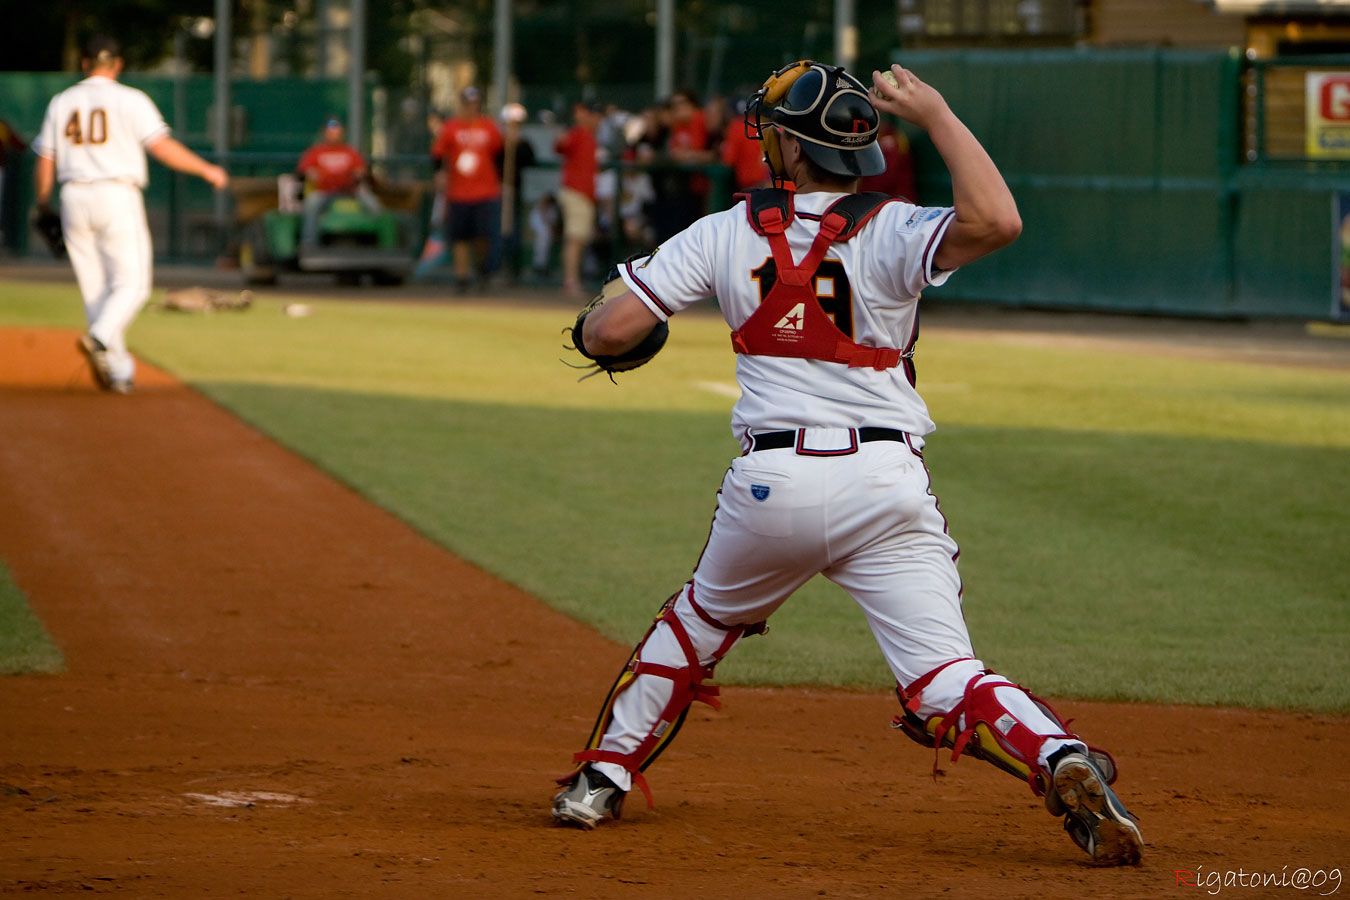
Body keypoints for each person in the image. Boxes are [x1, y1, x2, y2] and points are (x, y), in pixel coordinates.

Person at [552, 60, 1144, 868]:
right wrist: (936, 112)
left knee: (698, 624)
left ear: (794, 149)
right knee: (942, 676)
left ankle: (600, 779)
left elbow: (612, 333)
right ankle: (1058, 758)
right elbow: (999, 222)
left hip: (772, 485)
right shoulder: (897, 226)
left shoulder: (724, 229)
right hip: (885, 484)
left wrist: (596, 330)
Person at [32, 34, 227, 395]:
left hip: (74, 195)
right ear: (118, 64)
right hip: (116, 194)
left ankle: (119, 370)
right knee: (133, 285)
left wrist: (43, 203)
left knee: (97, 290)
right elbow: (163, 147)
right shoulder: (130, 100)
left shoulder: (63, 101)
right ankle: (101, 338)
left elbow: (46, 159)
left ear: (85, 62)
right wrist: (206, 169)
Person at [431, 86, 503, 292]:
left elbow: (499, 153)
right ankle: (461, 278)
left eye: (474, 103)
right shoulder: (451, 128)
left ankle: (481, 270)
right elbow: (437, 153)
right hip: (458, 192)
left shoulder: (488, 127)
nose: (471, 107)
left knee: (482, 236)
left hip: (485, 191)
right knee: (460, 237)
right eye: (467, 103)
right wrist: (439, 173)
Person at [295, 117, 381, 249]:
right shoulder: (316, 152)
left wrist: (359, 174)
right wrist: (312, 174)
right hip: (325, 192)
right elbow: (304, 170)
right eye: (331, 132)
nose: (334, 135)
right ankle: (309, 243)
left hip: (350, 191)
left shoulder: (350, 152)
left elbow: (361, 170)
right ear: (325, 133)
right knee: (312, 203)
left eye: (337, 132)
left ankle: (379, 243)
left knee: (373, 204)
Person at [554, 100, 601, 296]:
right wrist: (577, 119)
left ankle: (572, 280)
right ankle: (570, 282)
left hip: (582, 193)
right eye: (596, 116)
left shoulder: (588, 135)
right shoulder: (579, 133)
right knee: (575, 238)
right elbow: (559, 145)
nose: (598, 120)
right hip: (576, 192)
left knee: (579, 239)